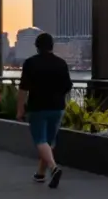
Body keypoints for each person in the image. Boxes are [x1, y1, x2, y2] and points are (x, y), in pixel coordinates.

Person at [16, 32, 72, 188]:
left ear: (37, 47)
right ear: (52, 46)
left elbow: (23, 89)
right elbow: (68, 86)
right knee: (49, 141)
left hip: (38, 107)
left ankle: (53, 168)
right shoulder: (61, 63)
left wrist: (20, 109)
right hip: (57, 107)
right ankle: (40, 174)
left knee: (40, 140)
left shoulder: (30, 63)